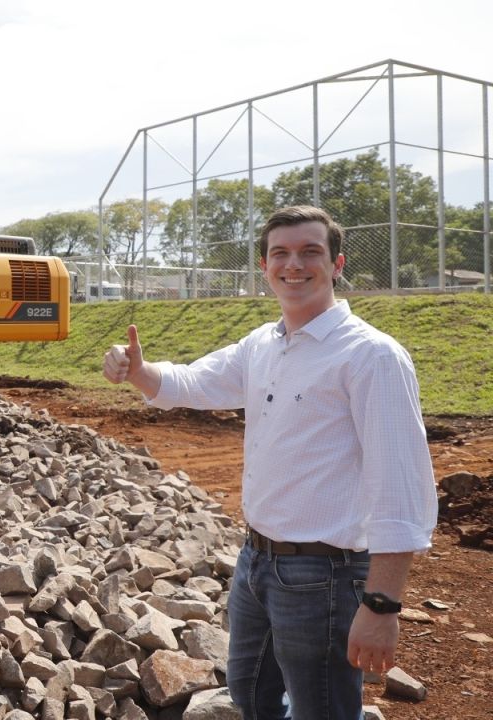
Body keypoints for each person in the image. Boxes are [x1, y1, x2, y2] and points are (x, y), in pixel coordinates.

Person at [102, 205, 436, 720]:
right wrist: (140, 371)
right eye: (280, 253)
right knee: (251, 692)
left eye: (310, 252)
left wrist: (382, 605)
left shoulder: (371, 356)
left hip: (325, 573)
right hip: (256, 560)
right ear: (264, 267)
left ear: (337, 263)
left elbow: (401, 486)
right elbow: (192, 383)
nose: (293, 265)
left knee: (321, 709)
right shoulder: (264, 344)